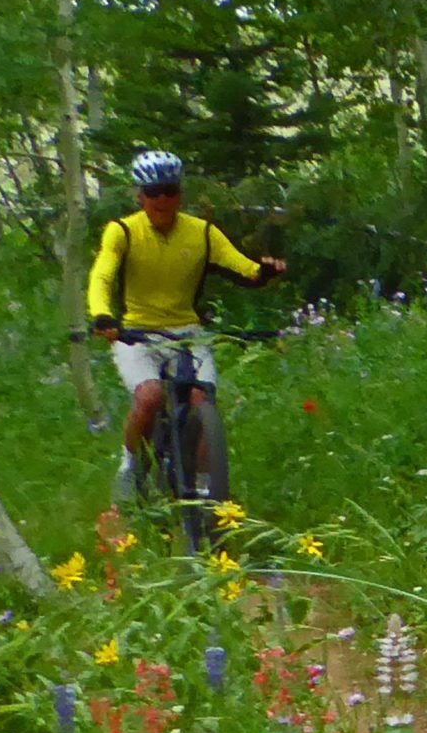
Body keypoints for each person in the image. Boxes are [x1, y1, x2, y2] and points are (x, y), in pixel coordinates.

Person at [87, 150, 286, 502]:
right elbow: (102, 275)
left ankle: (210, 492)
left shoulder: (203, 233)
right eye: (153, 193)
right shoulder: (123, 232)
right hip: (136, 334)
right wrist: (103, 316)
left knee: (201, 401)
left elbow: (243, 268)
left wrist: (264, 271)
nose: (162, 199)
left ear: (180, 192)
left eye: (170, 190)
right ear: (140, 195)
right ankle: (131, 466)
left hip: (188, 332)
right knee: (149, 397)